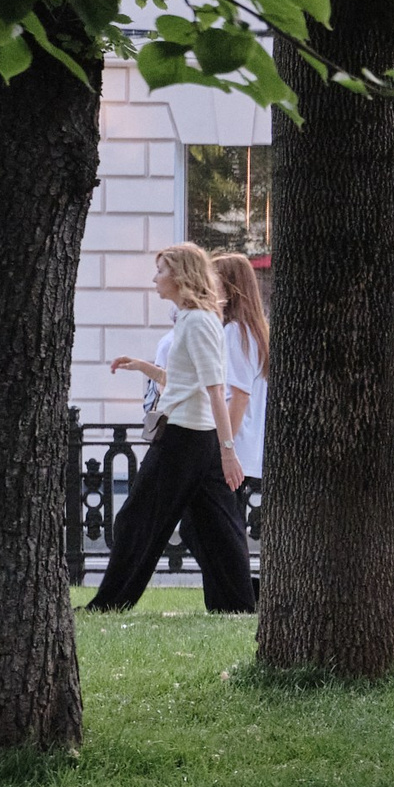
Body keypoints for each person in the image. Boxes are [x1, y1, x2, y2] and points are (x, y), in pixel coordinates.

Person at [91, 243, 255, 612]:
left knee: (136, 519)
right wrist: (143, 367)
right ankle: (236, 605)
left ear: (181, 276)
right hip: (195, 437)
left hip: (184, 439)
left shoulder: (197, 321)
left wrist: (228, 451)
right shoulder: (195, 319)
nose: (155, 279)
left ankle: (110, 603)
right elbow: (186, 381)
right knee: (216, 526)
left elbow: (216, 390)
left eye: (161, 270)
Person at [212, 254, 269, 506]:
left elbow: (239, 397)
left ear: (229, 288)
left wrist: (223, 449)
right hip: (242, 451)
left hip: (232, 453)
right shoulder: (251, 331)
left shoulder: (236, 332)